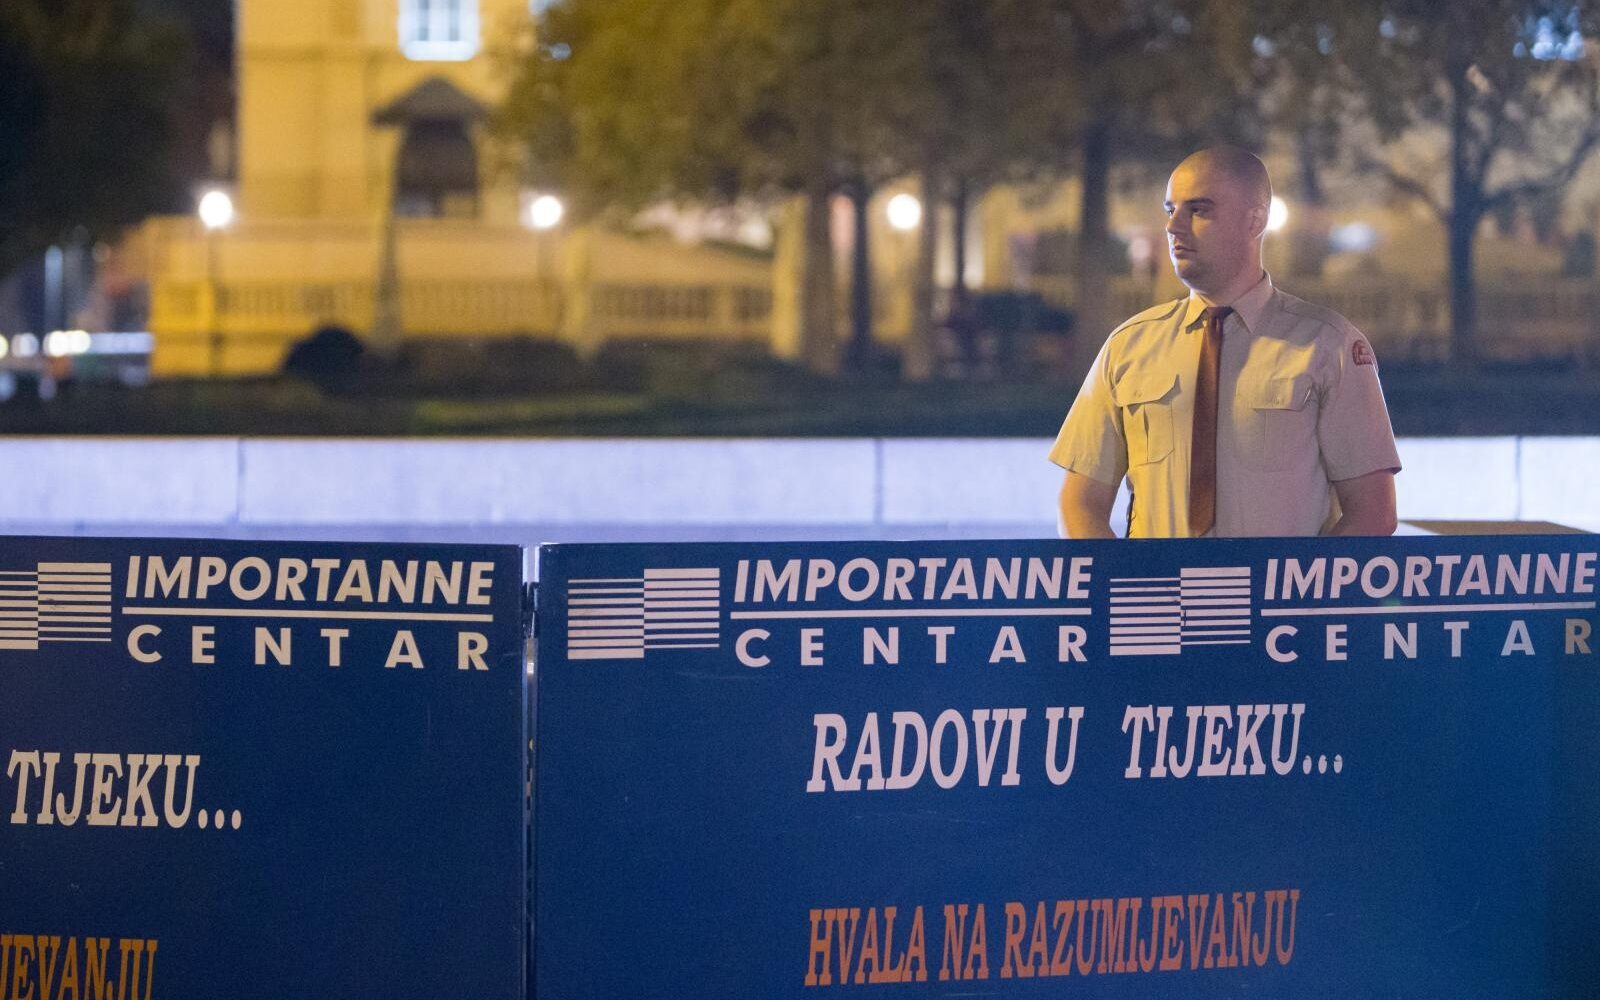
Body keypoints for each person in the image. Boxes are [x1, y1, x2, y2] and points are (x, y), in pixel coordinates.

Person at [1049, 145, 1401, 539]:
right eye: (1171, 210)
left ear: (1255, 220)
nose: (1173, 227)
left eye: (1198, 210)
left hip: (1278, 582)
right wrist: (1124, 578)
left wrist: (1300, 581)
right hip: (1158, 581)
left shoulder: (1328, 347)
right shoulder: (1127, 348)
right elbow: (1079, 503)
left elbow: (1373, 513)